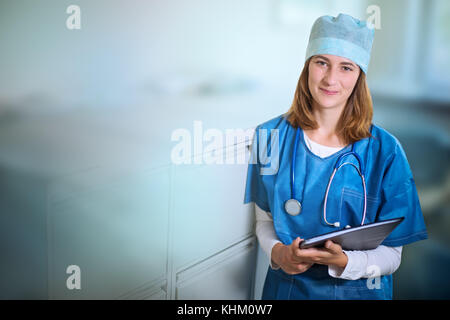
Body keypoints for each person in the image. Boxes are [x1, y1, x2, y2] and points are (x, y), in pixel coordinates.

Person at [244, 13, 428, 300]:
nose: (331, 78)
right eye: (321, 63)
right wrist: (280, 253)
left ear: (359, 77)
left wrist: (347, 263)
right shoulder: (270, 137)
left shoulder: (386, 151)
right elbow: (264, 222)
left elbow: (392, 255)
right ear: (307, 66)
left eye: (346, 67)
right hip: (289, 291)